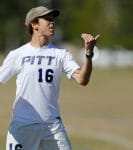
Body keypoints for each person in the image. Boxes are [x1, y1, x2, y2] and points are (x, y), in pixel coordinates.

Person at [0, 6, 99, 150]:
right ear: (34, 24)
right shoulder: (17, 55)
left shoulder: (61, 54)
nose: (52, 23)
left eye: (53, 20)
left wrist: (88, 54)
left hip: (52, 125)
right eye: (47, 19)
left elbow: (82, 79)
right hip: (23, 125)